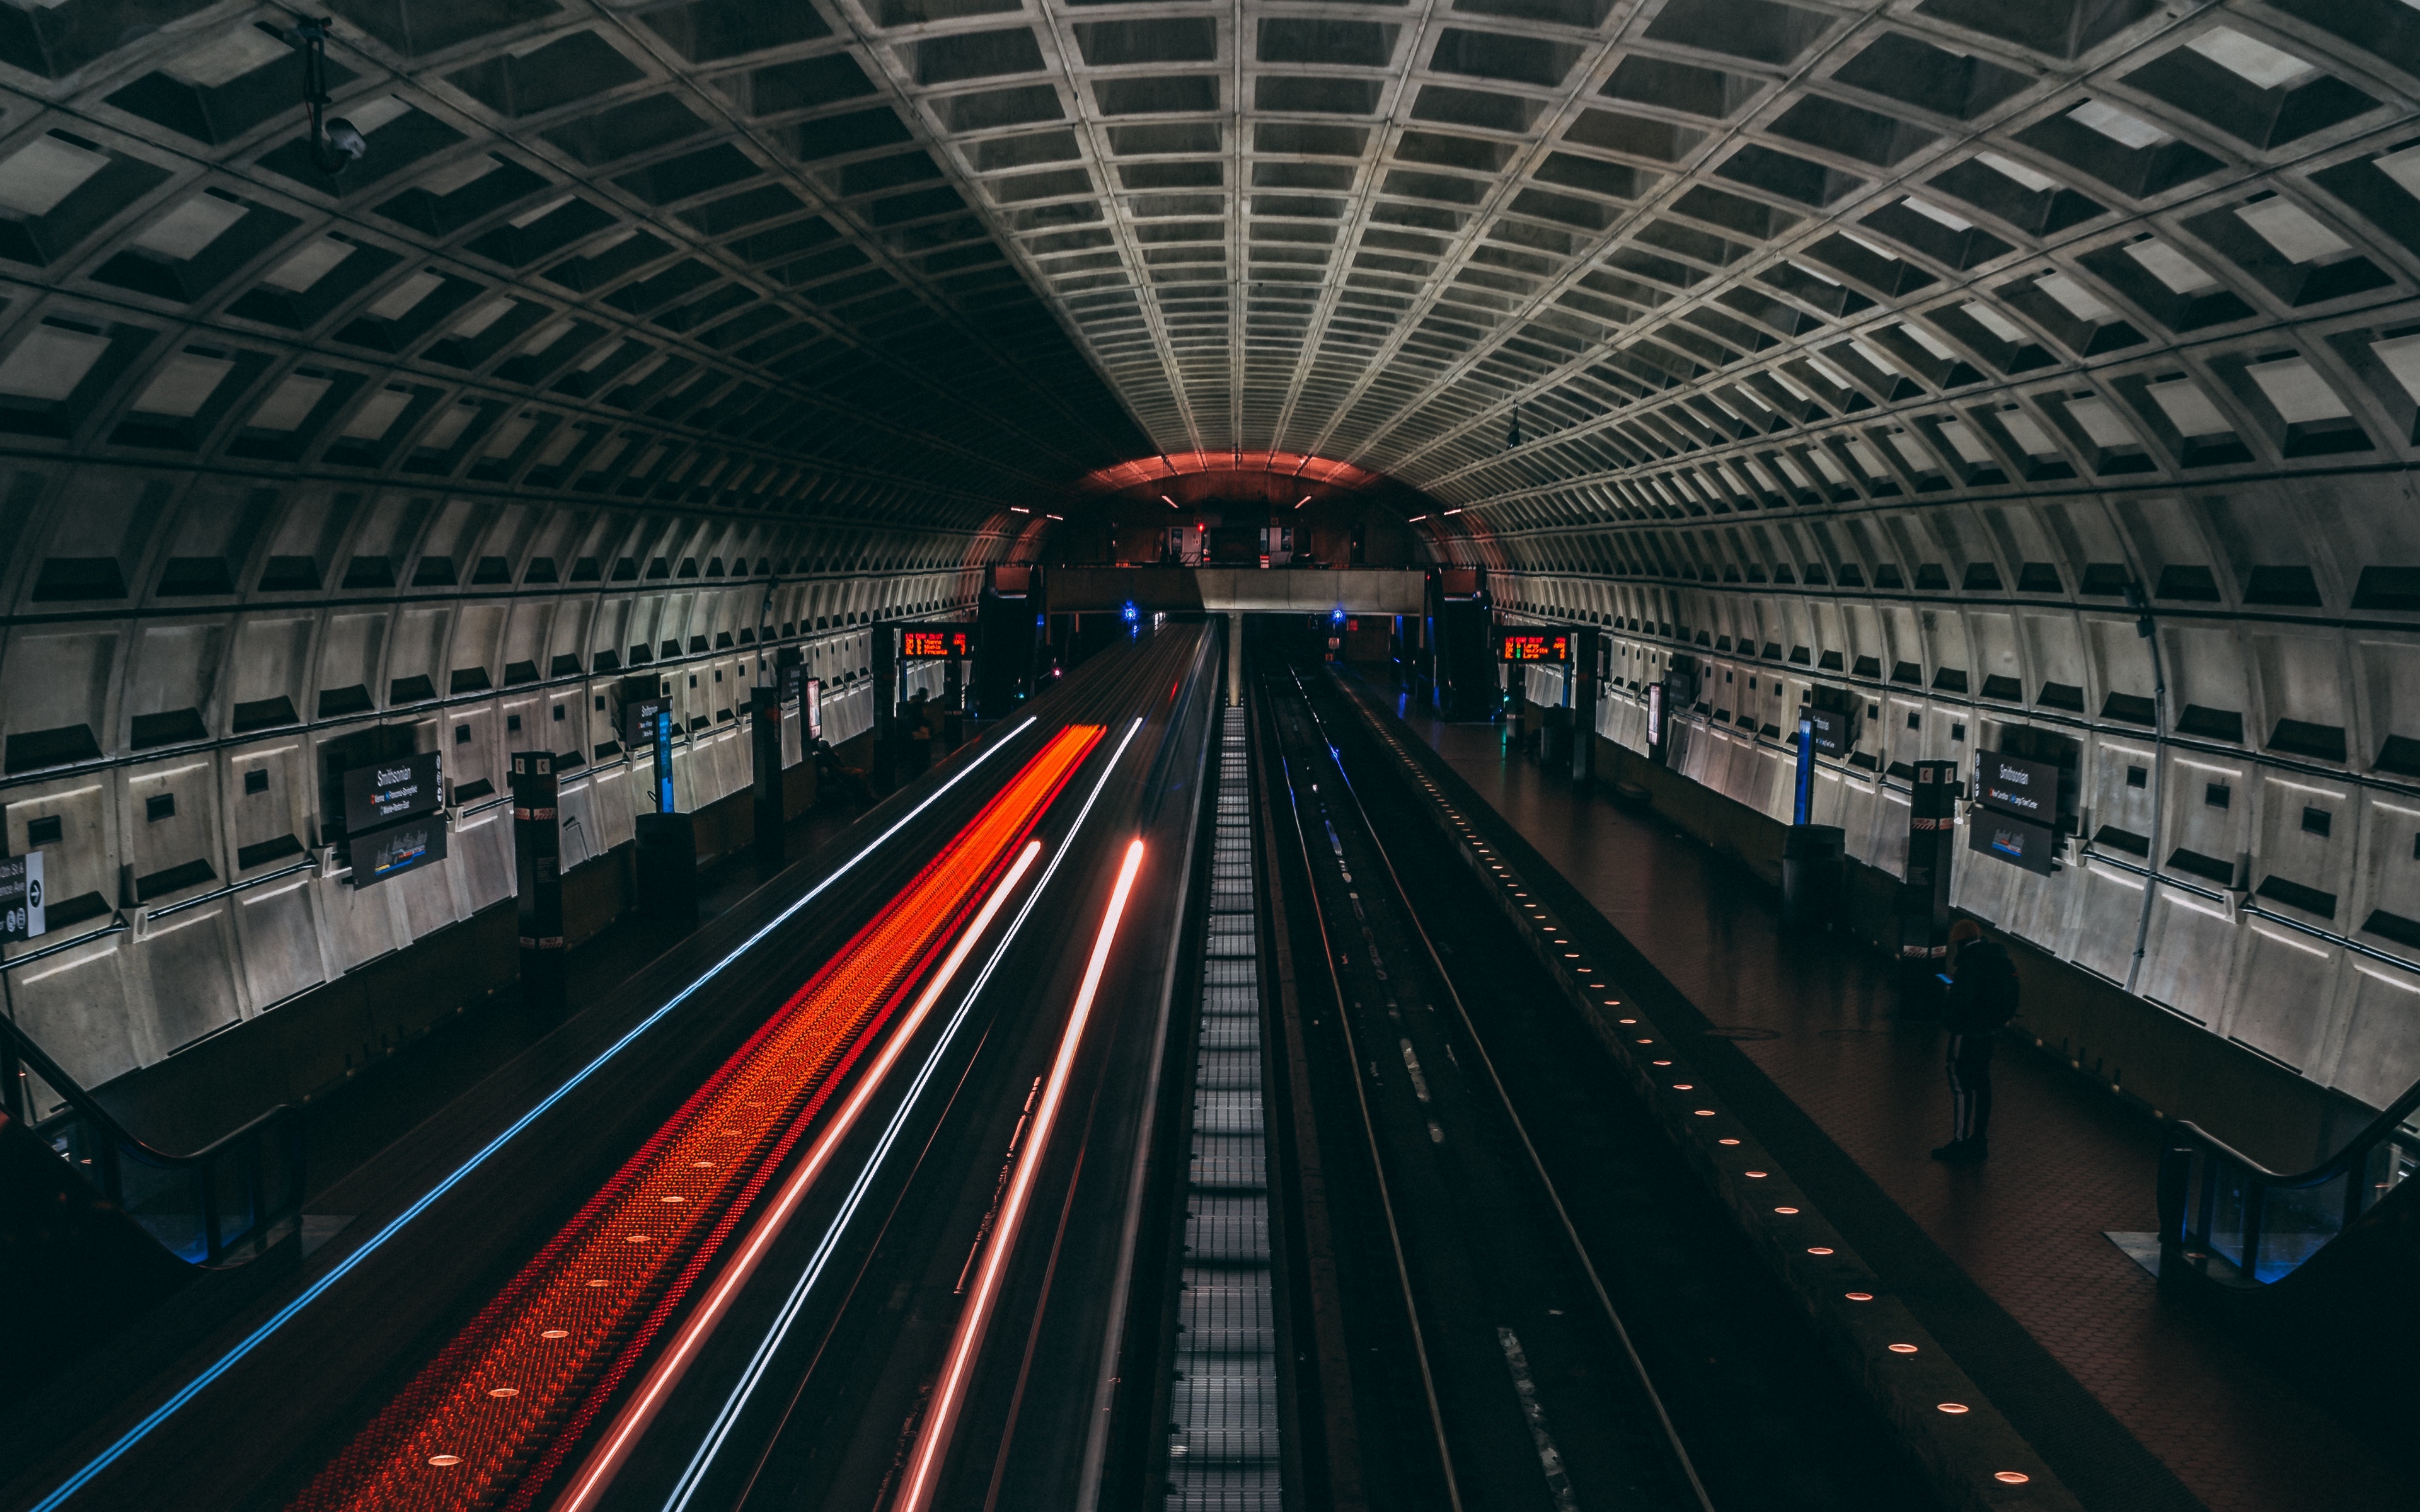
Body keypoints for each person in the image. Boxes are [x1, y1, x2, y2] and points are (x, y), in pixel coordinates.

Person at [1933, 917, 2019, 1164]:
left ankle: (1959, 1141)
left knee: (1959, 1082)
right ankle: (1979, 1141)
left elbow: (1963, 1001)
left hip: (1966, 1032)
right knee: (1982, 1084)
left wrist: (1950, 1021)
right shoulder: (1996, 957)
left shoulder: (1970, 963)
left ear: (1960, 942)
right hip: (1988, 1033)